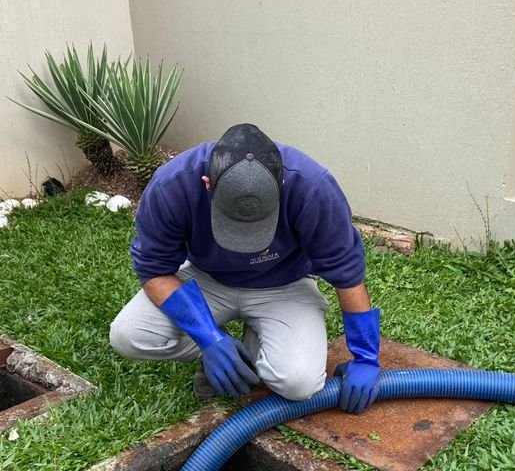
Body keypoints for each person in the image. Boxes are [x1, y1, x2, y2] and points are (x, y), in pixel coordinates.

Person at [109, 123, 381, 414]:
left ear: (282, 185)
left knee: (299, 383)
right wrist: (208, 337)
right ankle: (224, 347)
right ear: (207, 184)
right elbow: (154, 270)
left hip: (285, 283)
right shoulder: (172, 185)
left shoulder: (312, 187)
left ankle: (252, 344)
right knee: (129, 335)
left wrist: (365, 358)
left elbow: (347, 274)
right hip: (207, 279)